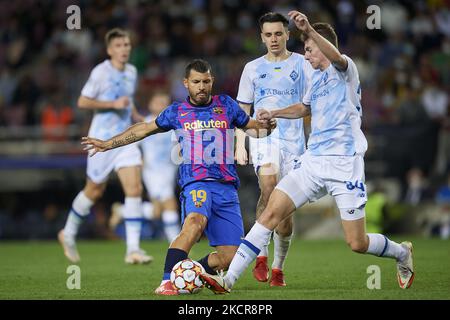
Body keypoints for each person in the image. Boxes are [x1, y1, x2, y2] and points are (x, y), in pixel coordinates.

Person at [200, 11, 415, 294]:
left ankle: (401, 253)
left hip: (344, 165)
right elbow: (304, 108)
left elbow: (334, 56)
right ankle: (228, 280)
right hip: (312, 162)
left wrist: (309, 29)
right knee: (270, 214)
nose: (307, 55)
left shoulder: (345, 69)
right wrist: (274, 112)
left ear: (323, 45)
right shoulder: (313, 78)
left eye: (310, 49)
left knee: (357, 243)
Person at [81, 59, 277, 295]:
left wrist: (268, 126)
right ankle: (167, 280)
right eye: (196, 82)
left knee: (230, 257)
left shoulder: (226, 105)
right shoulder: (177, 111)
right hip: (196, 182)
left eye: (206, 81)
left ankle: (194, 271)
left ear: (212, 80)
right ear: (186, 83)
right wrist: (107, 144)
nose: (202, 86)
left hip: (226, 187)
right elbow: (143, 129)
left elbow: (254, 128)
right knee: (194, 224)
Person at [58, 28, 153, 265]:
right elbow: (82, 101)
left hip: (124, 139)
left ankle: (133, 249)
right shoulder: (100, 72)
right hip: (100, 141)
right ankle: (67, 233)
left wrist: (136, 116)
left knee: (135, 189)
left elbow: (127, 100)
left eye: (127, 45)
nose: (124, 49)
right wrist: (112, 103)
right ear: (110, 50)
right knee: (94, 191)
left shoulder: (131, 71)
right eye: (119, 46)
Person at [234, 12, 314, 286]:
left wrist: (313, 139)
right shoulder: (252, 68)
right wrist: (240, 144)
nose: (274, 39)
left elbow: (309, 107)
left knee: (284, 209)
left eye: (278, 34)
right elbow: (242, 110)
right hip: (262, 137)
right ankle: (261, 256)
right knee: (267, 188)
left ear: (288, 35)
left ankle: (279, 268)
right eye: (268, 35)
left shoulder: (304, 64)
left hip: (294, 142)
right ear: (261, 37)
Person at [109, 92, 181, 243]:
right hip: (152, 172)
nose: (161, 105)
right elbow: (132, 144)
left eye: (164, 102)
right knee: (170, 205)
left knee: (157, 212)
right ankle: (177, 245)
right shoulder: (146, 124)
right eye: (158, 101)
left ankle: (122, 211)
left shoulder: (174, 124)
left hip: (169, 171)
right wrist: (138, 162)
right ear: (150, 105)